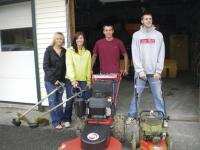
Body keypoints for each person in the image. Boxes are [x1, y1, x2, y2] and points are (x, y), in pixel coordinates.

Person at [126, 12, 165, 124]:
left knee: (158, 96)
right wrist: (140, 71)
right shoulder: (136, 35)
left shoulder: (158, 35)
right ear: (142, 21)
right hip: (141, 73)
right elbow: (135, 54)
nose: (148, 20)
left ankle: (162, 116)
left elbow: (161, 53)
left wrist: (158, 71)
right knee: (136, 95)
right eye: (146, 19)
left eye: (150, 19)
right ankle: (132, 115)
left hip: (154, 73)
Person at [63, 32, 92, 128]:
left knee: (85, 100)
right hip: (71, 80)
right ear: (75, 40)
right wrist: (72, 80)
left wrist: (89, 81)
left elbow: (88, 68)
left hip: (83, 80)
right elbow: (69, 65)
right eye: (78, 38)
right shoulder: (70, 51)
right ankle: (67, 119)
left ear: (84, 40)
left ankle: (83, 119)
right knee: (70, 100)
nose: (80, 40)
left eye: (81, 38)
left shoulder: (87, 53)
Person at [43, 32, 66, 129]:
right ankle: (55, 122)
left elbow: (66, 66)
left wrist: (64, 80)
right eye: (57, 38)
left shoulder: (65, 51)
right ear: (54, 40)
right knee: (52, 101)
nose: (59, 40)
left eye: (61, 39)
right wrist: (54, 80)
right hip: (50, 81)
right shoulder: (49, 50)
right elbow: (45, 67)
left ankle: (60, 120)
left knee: (59, 101)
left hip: (61, 81)